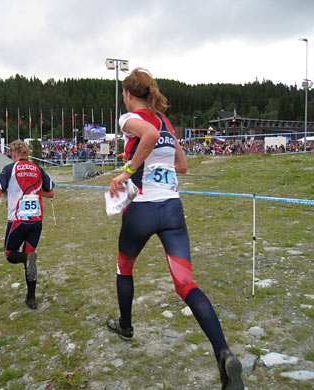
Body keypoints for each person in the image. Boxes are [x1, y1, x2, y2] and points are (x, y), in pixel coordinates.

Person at [106, 68, 244, 389]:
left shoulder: (129, 120)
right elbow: (181, 165)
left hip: (142, 209)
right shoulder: (166, 123)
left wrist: (127, 170)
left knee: (124, 268)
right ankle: (223, 354)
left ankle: (126, 326)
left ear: (128, 95)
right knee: (186, 284)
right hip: (172, 209)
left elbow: (148, 137)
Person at [0, 140, 54, 310]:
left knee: (10, 254)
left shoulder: (9, 169)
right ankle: (31, 298)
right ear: (27, 153)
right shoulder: (37, 169)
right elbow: (51, 192)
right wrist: (33, 191)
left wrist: (11, 191)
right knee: (31, 259)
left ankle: (27, 260)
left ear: (13, 154)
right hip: (36, 220)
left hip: (18, 219)